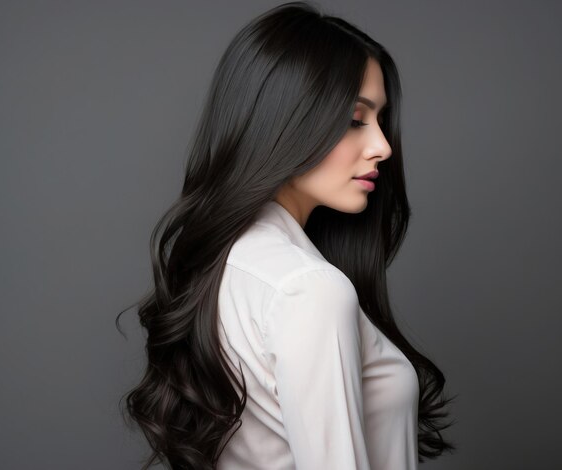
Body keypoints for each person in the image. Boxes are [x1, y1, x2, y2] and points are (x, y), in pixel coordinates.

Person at [117, 2, 457, 469]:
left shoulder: (233, 265)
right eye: (356, 119)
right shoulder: (309, 289)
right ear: (286, 121)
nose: (382, 147)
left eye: (380, 121)